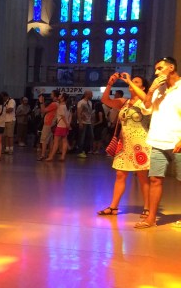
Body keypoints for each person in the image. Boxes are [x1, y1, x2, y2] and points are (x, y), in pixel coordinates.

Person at [96, 72, 150, 218]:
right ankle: (113, 207)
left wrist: (129, 81)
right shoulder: (124, 102)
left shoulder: (145, 102)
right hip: (124, 144)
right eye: (133, 81)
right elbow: (105, 99)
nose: (132, 83)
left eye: (137, 82)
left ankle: (147, 207)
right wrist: (109, 84)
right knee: (120, 175)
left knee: (142, 176)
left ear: (143, 87)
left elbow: (147, 101)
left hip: (140, 144)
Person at [136, 56, 181, 229]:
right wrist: (151, 89)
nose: (156, 72)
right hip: (157, 139)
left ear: (171, 67)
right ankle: (151, 218)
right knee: (155, 179)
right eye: (155, 69)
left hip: (177, 140)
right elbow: (146, 109)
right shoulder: (158, 89)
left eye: (160, 68)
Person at [45, 93, 71, 162]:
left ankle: (51, 157)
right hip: (65, 126)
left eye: (60, 96)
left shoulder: (61, 106)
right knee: (64, 141)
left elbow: (62, 116)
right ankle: (63, 156)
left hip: (60, 126)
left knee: (56, 142)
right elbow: (70, 115)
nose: (58, 96)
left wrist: (66, 123)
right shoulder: (67, 106)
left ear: (62, 98)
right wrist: (68, 124)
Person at [37, 90, 59, 160]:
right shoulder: (57, 104)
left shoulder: (54, 104)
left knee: (44, 140)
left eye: (52, 94)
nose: (50, 95)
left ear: (55, 96)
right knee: (50, 141)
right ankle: (50, 155)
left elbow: (43, 110)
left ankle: (43, 155)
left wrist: (41, 102)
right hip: (52, 123)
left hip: (48, 123)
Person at [76, 90, 94, 158]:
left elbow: (90, 113)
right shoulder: (81, 102)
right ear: (87, 94)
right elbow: (78, 113)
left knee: (90, 137)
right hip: (83, 122)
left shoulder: (90, 102)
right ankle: (80, 151)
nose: (92, 95)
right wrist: (80, 122)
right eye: (91, 94)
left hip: (88, 122)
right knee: (82, 137)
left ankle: (85, 150)